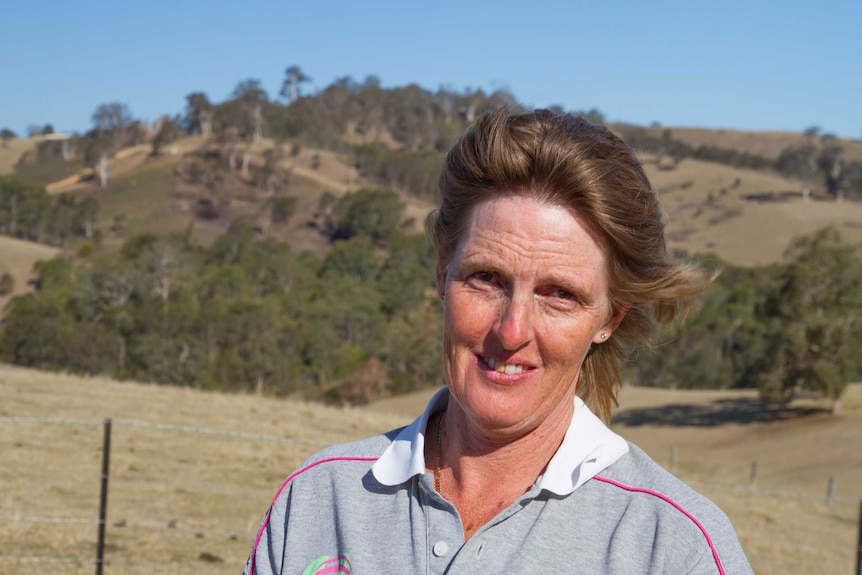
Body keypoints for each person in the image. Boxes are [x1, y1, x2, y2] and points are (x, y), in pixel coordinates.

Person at [243, 108, 754, 574]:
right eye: (487, 278)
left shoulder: (670, 548)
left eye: (560, 295)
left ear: (610, 318)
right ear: (443, 271)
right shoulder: (318, 501)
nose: (511, 331)